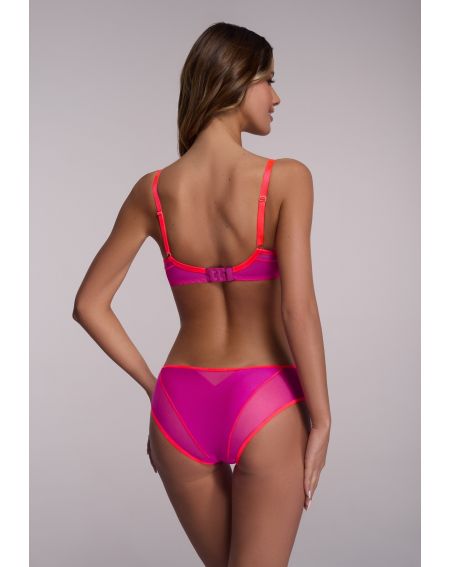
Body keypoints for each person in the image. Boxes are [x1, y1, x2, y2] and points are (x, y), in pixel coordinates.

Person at [73, 21, 331, 567]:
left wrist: (155, 391)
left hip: (179, 404)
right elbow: (298, 309)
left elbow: (89, 304)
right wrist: (324, 420)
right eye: (268, 80)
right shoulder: (287, 179)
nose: (276, 97)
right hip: (266, 399)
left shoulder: (153, 191)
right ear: (235, 81)